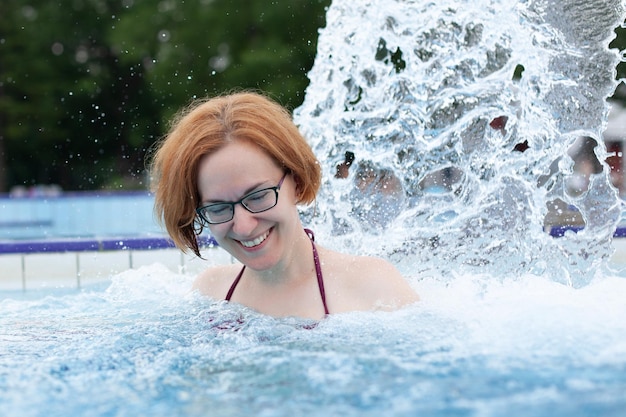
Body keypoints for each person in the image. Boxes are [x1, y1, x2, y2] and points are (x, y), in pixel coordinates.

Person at [150, 91, 419, 320]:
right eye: (218, 208)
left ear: (297, 182)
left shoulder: (374, 288)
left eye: (258, 196)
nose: (243, 227)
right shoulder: (211, 294)